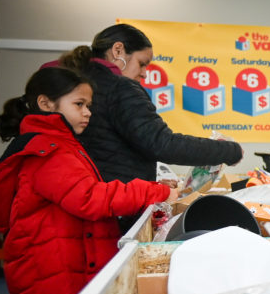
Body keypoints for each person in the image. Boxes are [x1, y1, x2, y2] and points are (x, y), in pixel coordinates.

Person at [0, 67, 179, 294]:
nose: (87, 112)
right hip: (54, 282)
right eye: (79, 104)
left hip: (63, 274)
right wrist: (155, 191)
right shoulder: (49, 150)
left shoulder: (62, 144)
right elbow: (90, 199)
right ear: (45, 103)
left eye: (88, 105)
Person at [53, 24, 243, 184]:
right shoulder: (120, 88)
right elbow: (162, 144)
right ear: (118, 50)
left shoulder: (76, 84)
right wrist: (229, 150)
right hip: (118, 208)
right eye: (142, 63)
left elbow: (111, 152)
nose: (144, 73)